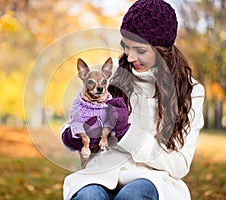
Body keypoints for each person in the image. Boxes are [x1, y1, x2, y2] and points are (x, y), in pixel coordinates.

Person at [61, 0, 205, 199]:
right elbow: (75, 119)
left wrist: (127, 133)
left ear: (162, 50)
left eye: (141, 51)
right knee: (89, 196)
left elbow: (179, 165)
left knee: (132, 196)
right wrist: (73, 136)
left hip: (151, 178)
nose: (129, 58)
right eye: (126, 47)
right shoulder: (110, 79)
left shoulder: (191, 92)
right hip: (101, 173)